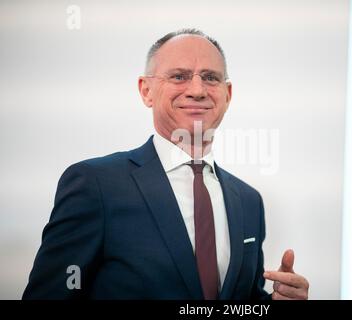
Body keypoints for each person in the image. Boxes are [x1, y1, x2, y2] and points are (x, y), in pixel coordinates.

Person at [23, 29, 309, 300]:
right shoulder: (95, 184)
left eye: (210, 78)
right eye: (179, 76)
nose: (197, 90)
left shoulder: (249, 201)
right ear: (146, 91)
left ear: (227, 95)